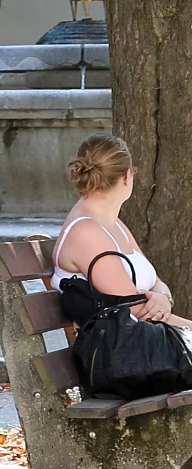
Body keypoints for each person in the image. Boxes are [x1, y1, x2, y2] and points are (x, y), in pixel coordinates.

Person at [53, 133, 192, 347]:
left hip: (147, 347)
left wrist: (163, 297)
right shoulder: (86, 233)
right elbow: (139, 312)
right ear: (127, 176)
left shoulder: (113, 224)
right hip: (126, 356)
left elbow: (157, 284)